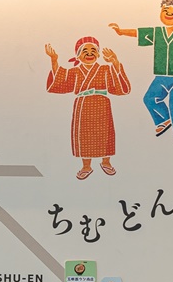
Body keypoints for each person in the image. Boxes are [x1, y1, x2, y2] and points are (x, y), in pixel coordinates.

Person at [110, 0, 173, 145]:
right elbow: (138, 33)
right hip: (161, 77)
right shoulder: (157, 32)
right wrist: (121, 31)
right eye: (165, 11)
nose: (169, 14)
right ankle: (164, 119)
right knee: (149, 98)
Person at [43, 36, 132, 178]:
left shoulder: (105, 69)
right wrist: (54, 59)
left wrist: (115, 62)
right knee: (84, 135)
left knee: (105, 133)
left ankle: (106, 162)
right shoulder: (75, 71)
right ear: (77, 55)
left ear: (98, 54)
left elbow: (120, 88)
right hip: (83, 106)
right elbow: (60, 81)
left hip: (102, 105)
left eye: (93, 51)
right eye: (85, 51)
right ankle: (86, 166)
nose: (89, 54)